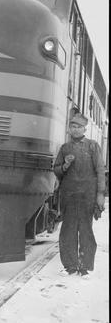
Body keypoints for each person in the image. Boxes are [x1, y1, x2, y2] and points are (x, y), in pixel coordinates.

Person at [54, 113, 106, 278]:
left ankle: (85, 267)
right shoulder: (65, 148)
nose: (75, 130)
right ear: (69, 129)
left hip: (87, 196)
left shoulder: (93, 146)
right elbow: (57, 171)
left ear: (84, 129)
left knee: (85, 229)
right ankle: (70, 266)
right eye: (72, 127)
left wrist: (100, 195)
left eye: (78, 127)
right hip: (69, 195)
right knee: (68, 230)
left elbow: (100, 171)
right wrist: (65, 165)